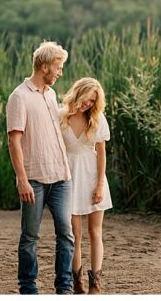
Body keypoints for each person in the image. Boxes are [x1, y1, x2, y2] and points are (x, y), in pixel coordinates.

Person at [6, 41, 75, 295]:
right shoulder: (19, 97)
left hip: (61, 177)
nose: (60, 73)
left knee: (66, 234)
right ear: (44, 67)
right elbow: (14, 140)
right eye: (57, 68)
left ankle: (64, 289)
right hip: (34, 179)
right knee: (30, 238)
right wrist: (21, 179)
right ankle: (28, 289)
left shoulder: (50, 93)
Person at [59, 78, 112, 295]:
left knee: (95, 232)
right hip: (69, 179)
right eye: (86, 99)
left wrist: (100, 185)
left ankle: (95, 284)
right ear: (77, 93)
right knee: (74, 234)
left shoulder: (98, 119)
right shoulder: (61, 116)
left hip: (93, 177)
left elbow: (101, 154)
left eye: (92, 101)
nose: (88, 104)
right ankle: (77, 283)